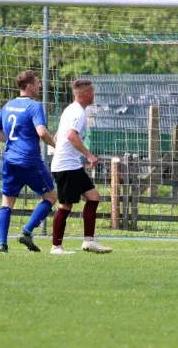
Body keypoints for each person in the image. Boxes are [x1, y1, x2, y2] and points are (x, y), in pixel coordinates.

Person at [0, 70, 57, 253]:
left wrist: (12, 141)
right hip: (29, 161)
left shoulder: (8, 105)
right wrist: (55, 144)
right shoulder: (34, 106)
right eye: (38, 82)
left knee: (6, 202)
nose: (40, 86)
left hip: (10, 160)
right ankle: (26, 231)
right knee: (51, 197)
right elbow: (42, 132)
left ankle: (2, 245)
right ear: (30, 86)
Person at [49, 79, 112, 254]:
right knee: (65, 206)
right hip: (66, 166)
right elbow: (71, 136)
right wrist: (89, 155)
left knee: (93, 196)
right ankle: (56, 247)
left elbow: (59, 134)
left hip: (71, 164)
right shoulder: (78, 112)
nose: (94, 95)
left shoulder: (70, 109)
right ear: (86, 94)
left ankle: (89, 241)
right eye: (92, 92)